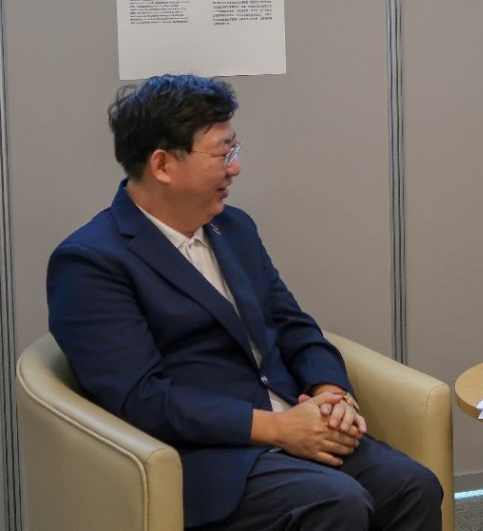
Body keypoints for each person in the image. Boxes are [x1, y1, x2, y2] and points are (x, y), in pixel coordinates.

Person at [47, 74, 442, 531]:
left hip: (296, 422)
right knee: (337, 503)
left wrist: (330, 391)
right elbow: (142, 398)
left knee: (414, 485)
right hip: (209, 457)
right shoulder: (91, 261)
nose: (235, 168)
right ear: (162, 164)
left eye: (234, 151)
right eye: (222, 153)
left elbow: (292, 324)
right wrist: (276, 429)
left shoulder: (233, 228)